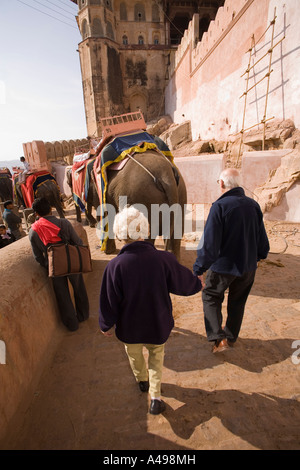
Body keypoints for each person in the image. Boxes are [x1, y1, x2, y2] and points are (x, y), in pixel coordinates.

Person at [99, 206, 202, 415]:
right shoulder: (164, 259)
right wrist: (197, 283)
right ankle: (156, 397)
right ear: (144, 230)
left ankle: (142, 381)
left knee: (134, 355)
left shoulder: (114, 266)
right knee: (157, 356)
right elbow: (182, 282)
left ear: (120, 233)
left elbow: (109, 300)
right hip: (157, 323)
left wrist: (106, 324)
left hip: (129, 328)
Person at [193, 168, 270, 353]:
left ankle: (218, 340)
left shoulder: (219, 207)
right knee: (238, 301)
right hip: (248, 267)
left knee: (211, 296)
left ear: (221, 183)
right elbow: (262, 240)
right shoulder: (253, 205)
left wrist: (198, 268)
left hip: (223, 267)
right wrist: (258, 256)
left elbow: (210, 245)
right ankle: (231, 337)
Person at [29, 197, 89, 332]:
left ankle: (72, 324)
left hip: (54, 266)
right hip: (72, 262)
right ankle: (83, 315)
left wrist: (48, 264)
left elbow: (37, 257)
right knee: (79, 288)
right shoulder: (64, 223)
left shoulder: (34, 231)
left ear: (36, 213)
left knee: (62, 295)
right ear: (51, 209)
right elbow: (78, 242)